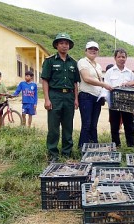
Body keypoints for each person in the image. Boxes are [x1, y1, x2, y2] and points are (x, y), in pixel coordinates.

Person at [41, 33, 80, 162]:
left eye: (67, 43)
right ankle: (53, 154)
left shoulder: (73, 62)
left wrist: (76, 99)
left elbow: (75, 83)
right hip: (55, 95)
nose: (64, 46)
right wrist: (47, 99)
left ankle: (67, 153)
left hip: (69, 96)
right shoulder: (50, 61)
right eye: (62, 43)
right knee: (53, 127)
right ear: (57, 45)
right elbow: (45, 80)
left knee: (68, 126)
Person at [77, 41, 112, 148]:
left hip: (97, 98)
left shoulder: (98, 65)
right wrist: (104, 84)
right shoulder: (82, 62)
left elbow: (99, 80)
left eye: (95, 49)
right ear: (86, 51)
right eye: (90, 48)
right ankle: (82, 148)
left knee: (94, 124)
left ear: (98, 51)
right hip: (86, 96)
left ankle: (93, 146)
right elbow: (86, 78)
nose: (93, 50)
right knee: (86, 124)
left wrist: (103, 93)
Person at [104, 48, 134, 147]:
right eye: (119, 57)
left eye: (123, 57)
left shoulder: (130, 73)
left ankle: (131, 146)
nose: (121, 59)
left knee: (129, 125)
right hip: (114, 103)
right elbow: (106, 86)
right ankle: (116, 145)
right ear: (115, 58)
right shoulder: (109, 72)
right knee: (114, 125)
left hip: (127, 104)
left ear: (126, 58)